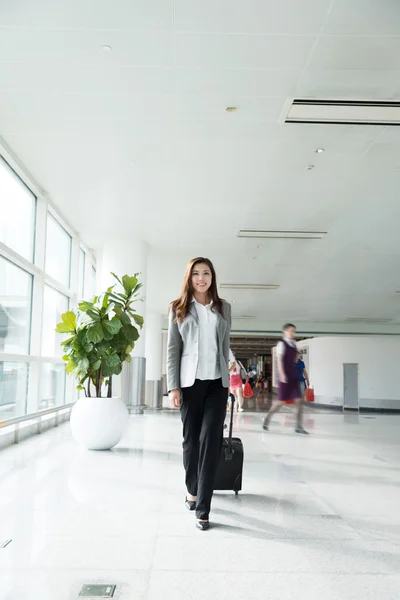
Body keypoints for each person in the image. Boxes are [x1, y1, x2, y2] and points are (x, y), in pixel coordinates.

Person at [167, 257, 231, 531]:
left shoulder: (223, 308)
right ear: (189, 278)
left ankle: (203, 508)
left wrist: (232, 382)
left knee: (210, 440)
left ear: (212, 277)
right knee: (190, 443)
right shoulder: (178, 308)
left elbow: (225, 345)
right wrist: (173, 386)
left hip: (217, 383)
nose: (201, 278)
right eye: (196, 274)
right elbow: (173, 350)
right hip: (190, 384)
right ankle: (192, 489)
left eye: (206, 273)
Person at [262, 323, 309, 435]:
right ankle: (267, 419)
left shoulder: (293, 344)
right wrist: (282, 374)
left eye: (294, 331)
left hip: (293, 376)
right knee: (280, 402)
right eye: (291, 331)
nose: (293, 333)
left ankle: (298, 426)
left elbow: (294, 359)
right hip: (285, 376)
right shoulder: (281, 344)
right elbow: (279, 359)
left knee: (299, 400)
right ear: (285, 331)